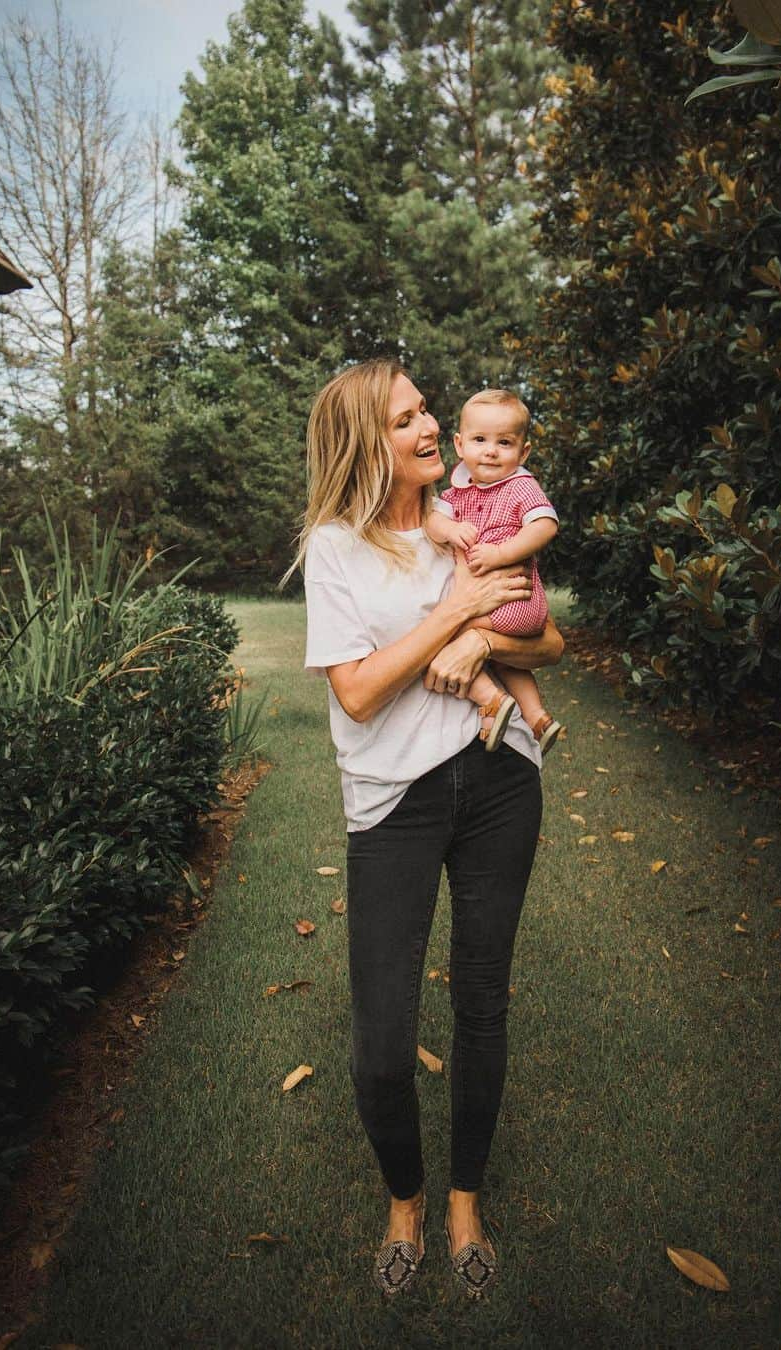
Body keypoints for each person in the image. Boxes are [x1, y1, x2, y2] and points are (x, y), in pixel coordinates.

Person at [291, 358, 564, 1300]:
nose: (429, 427)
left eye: (425, 412)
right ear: (369, 441)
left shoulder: (477, 518)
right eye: (406, 419)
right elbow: (359, 693)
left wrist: (483, 639)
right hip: (394, 800)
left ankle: (461, 1201)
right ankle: (401, 1199)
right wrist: (451, 615)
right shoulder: (337, 546)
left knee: (482, 1003)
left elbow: (551, 640)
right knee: (380, 1036)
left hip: (498, 783)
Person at [425, 387, 565, 755]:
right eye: (480, 439)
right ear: (459, 444)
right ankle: (538, 719)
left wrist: (501, 553)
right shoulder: (455, 495)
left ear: (524, 451)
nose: (490, 450)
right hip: (510, 607)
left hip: (512, 599)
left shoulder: (521, 486)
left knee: (438, 636)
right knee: (503, 658)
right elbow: (432, 522)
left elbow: (545, 525)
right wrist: (451, 530)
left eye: (504, 442)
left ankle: (491, 703)